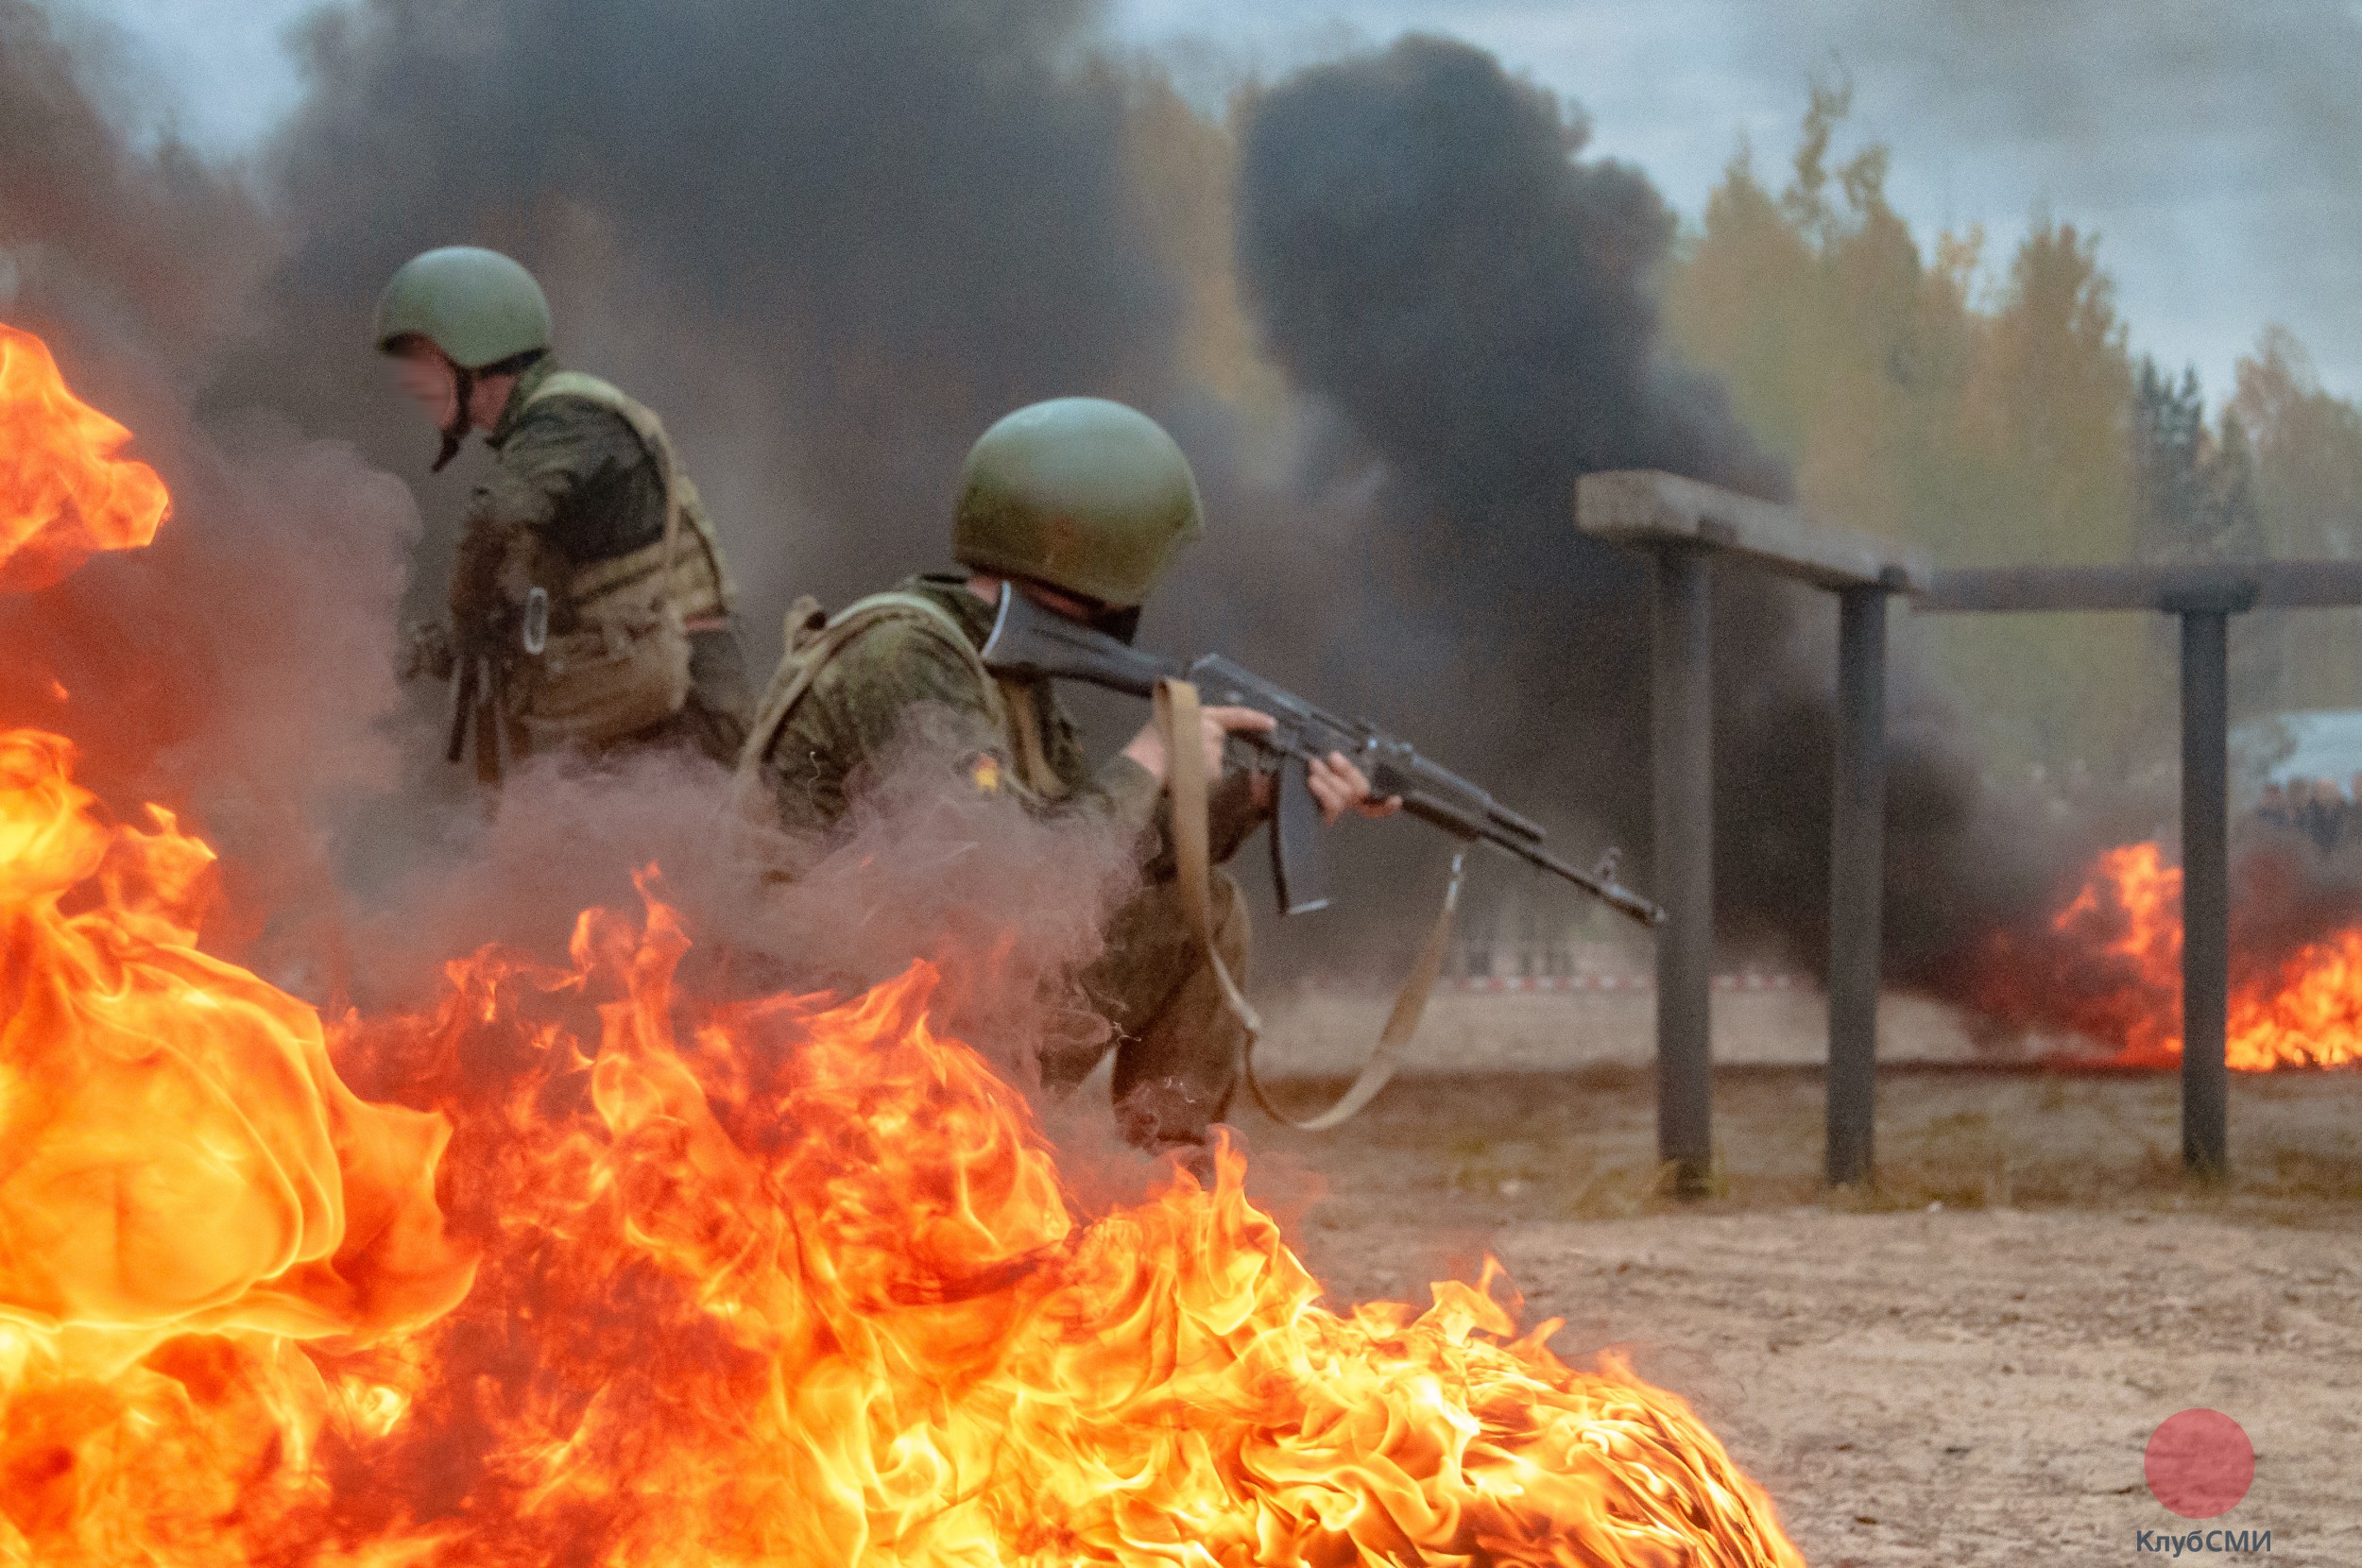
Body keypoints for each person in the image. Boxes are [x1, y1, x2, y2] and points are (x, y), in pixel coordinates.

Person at [737, 397, 1394, 1158]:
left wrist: (1257, 798)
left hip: (912, 1012)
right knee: (1193, 910)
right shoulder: (905, 653)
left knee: (1199, 909)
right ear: (1101, 556)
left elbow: (1092, 860)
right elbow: (1015, 882)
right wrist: (1154, 754)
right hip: (804, 1040)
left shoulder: (1009, 675)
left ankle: (1173, 1206)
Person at [376, 246, 751, 774]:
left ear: (474, 354)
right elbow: (532, 603)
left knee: (669, 851)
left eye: (425, 368)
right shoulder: (552, 432)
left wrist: (465, 622)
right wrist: (446, 646)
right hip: (644, 701)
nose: (418, 390)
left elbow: (494, 524)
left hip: (685, 712)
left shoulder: (566, 421)